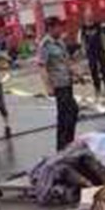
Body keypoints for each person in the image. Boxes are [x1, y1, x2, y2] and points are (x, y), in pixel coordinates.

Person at [38, 16, 80, 151]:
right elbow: (42, 66)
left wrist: (77, 74)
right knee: (65, 116)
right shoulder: (45, 45)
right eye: (58, 26)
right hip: (58, 85)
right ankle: (62, 147)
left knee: (72, 112)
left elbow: (66, 61)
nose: (60, 29)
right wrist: (48, 86)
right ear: (50, 28)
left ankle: (68, 143)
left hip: (67, 82)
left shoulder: (60, 42)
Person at [80, 12, 105, 98]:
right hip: (90, 52)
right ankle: (97, 89)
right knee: (93, 70)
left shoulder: (98, 25)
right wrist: (84, 51)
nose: (89, 17)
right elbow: (82, 40)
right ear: (85, 17)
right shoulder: (83, 27)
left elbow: (103, 37)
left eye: (90, 16)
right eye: (87, 16)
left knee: (104, 69)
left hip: (100, 50)